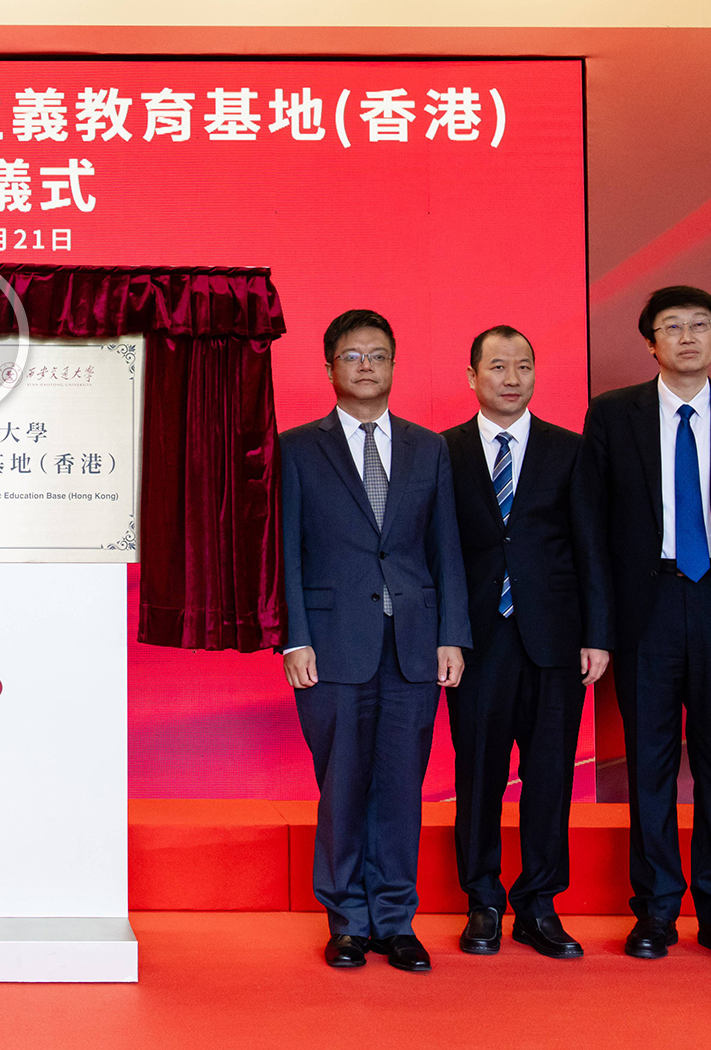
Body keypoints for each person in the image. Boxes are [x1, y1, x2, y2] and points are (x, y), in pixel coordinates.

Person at [576, 285, 711, 965]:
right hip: (649, 608)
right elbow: (592, 526)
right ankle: (657, 912)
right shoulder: (614, 415)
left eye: (701, 326)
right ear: (651, 342)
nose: (688, 337)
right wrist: (599, 626)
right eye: (672, 327)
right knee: (651, 767)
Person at [277, 309, 469, 973]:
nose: (366, 365)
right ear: (329, 366)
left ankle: (395, 918)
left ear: (394, 363)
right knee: (343, 784)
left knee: (400, 787)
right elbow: (286, 554)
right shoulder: (297, 449)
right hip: (329, 645)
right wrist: (293, 639)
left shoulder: (428, 447)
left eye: (377, 354)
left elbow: (446, 547)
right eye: (352, 355)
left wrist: (453, 635)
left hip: (414, 643)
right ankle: (347, 920)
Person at [440, 326, 606, 960]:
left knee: (549, 777)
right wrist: (445, 635)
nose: (512, 377)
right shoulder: (442, 451)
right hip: (476, 642)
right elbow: (439, 552)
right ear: (472, 376)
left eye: (524, 366)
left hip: (556, 642)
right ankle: (482, 900)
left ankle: (539, 904)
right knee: (477, 775)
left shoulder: (570, 449)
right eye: (498, 366)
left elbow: (591, 546)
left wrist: (597, 634)